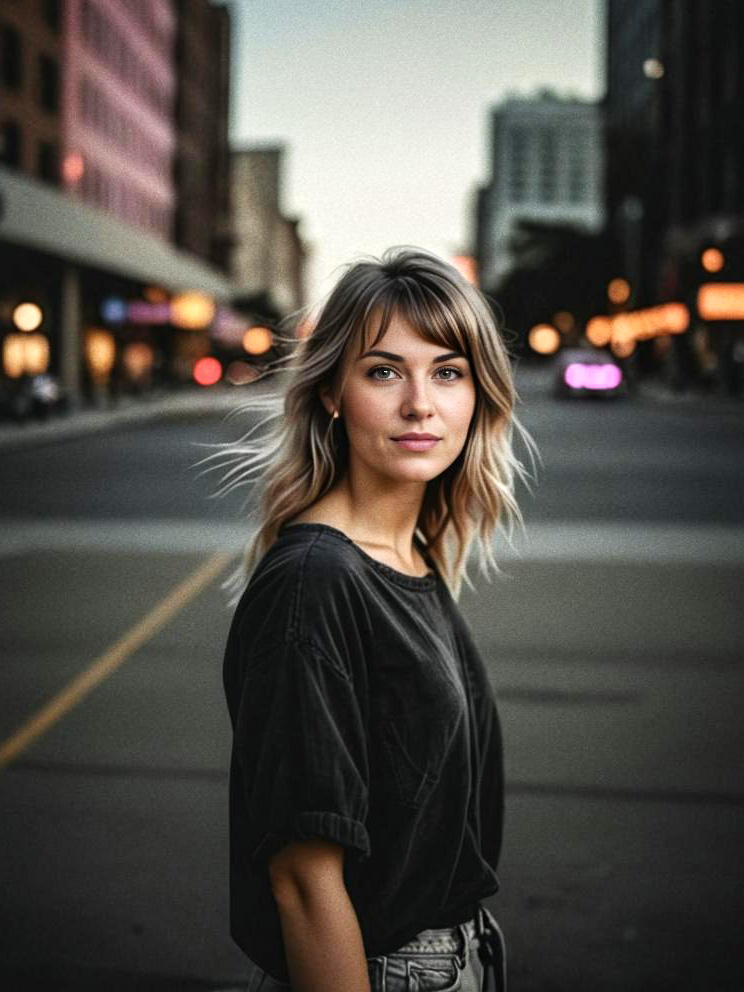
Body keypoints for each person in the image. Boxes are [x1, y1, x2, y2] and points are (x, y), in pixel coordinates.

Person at [213, 247, 538, 992]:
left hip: (457, 958)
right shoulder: (315, 583)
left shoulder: (409, 556)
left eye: (448, 372)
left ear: (478, 396)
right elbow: (302, 882)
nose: (420, 402)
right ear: (333, 392)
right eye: (384, 370)